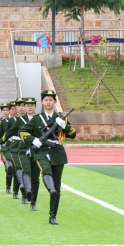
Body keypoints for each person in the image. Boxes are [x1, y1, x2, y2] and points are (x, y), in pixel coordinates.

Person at [21, 90, 76, 225]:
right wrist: (34, 140)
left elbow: (73, 134)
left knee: (57, 186)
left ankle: (52, 215)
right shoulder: (37, 118)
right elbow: (22, 131)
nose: (48, 102)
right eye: (46, 100)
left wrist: (64, 125)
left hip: (57, 152)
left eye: (51, 100)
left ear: (55, 102)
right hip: (41, 151)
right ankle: (50, 190)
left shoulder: (61, 118)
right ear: (42, 102)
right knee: (45, 171)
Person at [0, 97, 29, 204]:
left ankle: (21, 190)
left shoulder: (30, 118)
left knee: (25, 171)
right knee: (18, 168)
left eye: (22, 105)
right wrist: (0, 143)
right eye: (19, 106)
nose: (20, 108)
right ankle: (19, 191)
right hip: (15, 147)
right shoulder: (12, 120)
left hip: (28, 147)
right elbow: (8, 133)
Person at [17, 97, 42, 211]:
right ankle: (26, 192)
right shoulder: (20, 119)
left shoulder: (40, 118)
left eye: (32, 105)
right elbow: (11, 131)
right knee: (26, 170)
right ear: (25, 107)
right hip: (23, 149)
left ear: (35, 107)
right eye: (28, 105)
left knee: (35, 177)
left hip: (36, 150)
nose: (30, 107)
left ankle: (33, 202)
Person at [0, 102, 12, 194]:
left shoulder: (13, 120)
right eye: (4, 110)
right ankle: (8, 186)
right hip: (4, 147)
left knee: (13, 168)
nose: (5, 112)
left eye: (7, 110)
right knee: (9, 167)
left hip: (13, 146)